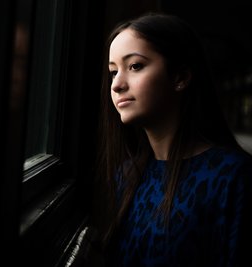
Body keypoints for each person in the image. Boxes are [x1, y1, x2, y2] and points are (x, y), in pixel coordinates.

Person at [89, 12, 252, 266]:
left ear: (180, 77)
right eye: (112, 72)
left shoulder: (233, 176)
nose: (117, 84)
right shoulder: (128, 174)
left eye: (135, 66)